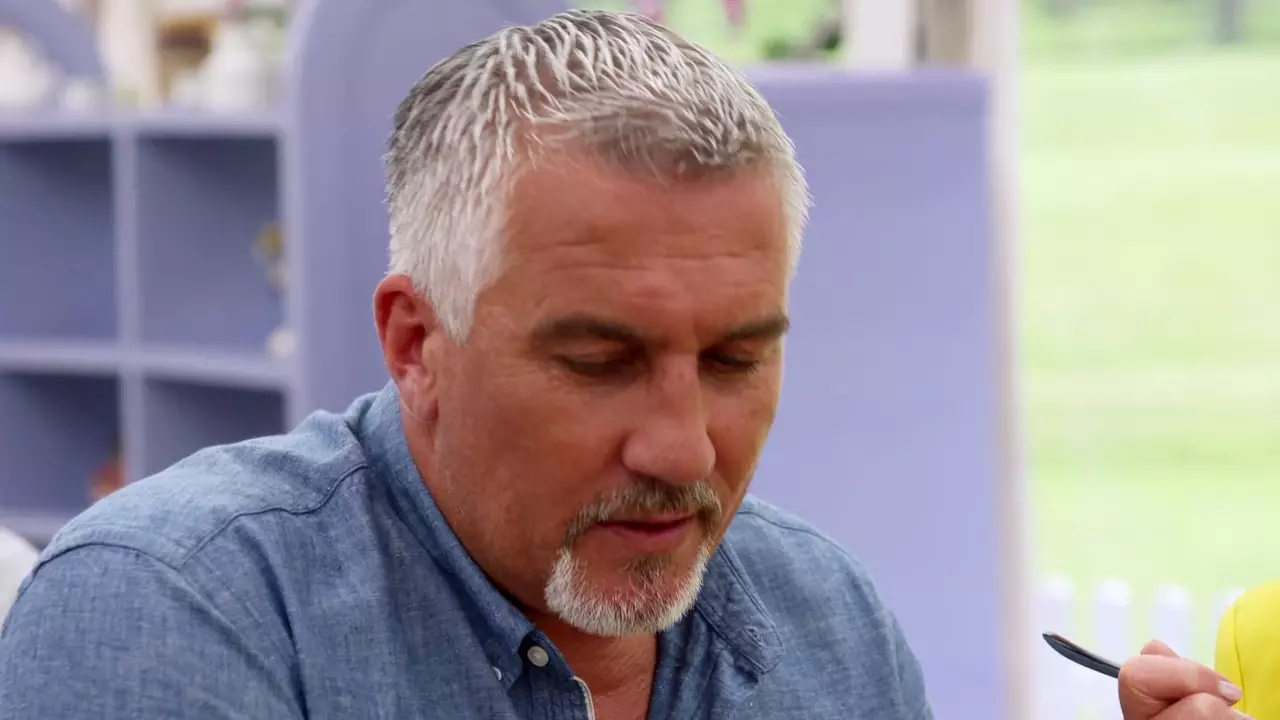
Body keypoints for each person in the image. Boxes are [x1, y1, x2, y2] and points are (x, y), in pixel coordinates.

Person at [0, 10, 1246, 720]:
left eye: (735, 358)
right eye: (600, 361)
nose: (683, 447)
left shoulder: (826, 626)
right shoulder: (176, 615)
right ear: (417, 343)